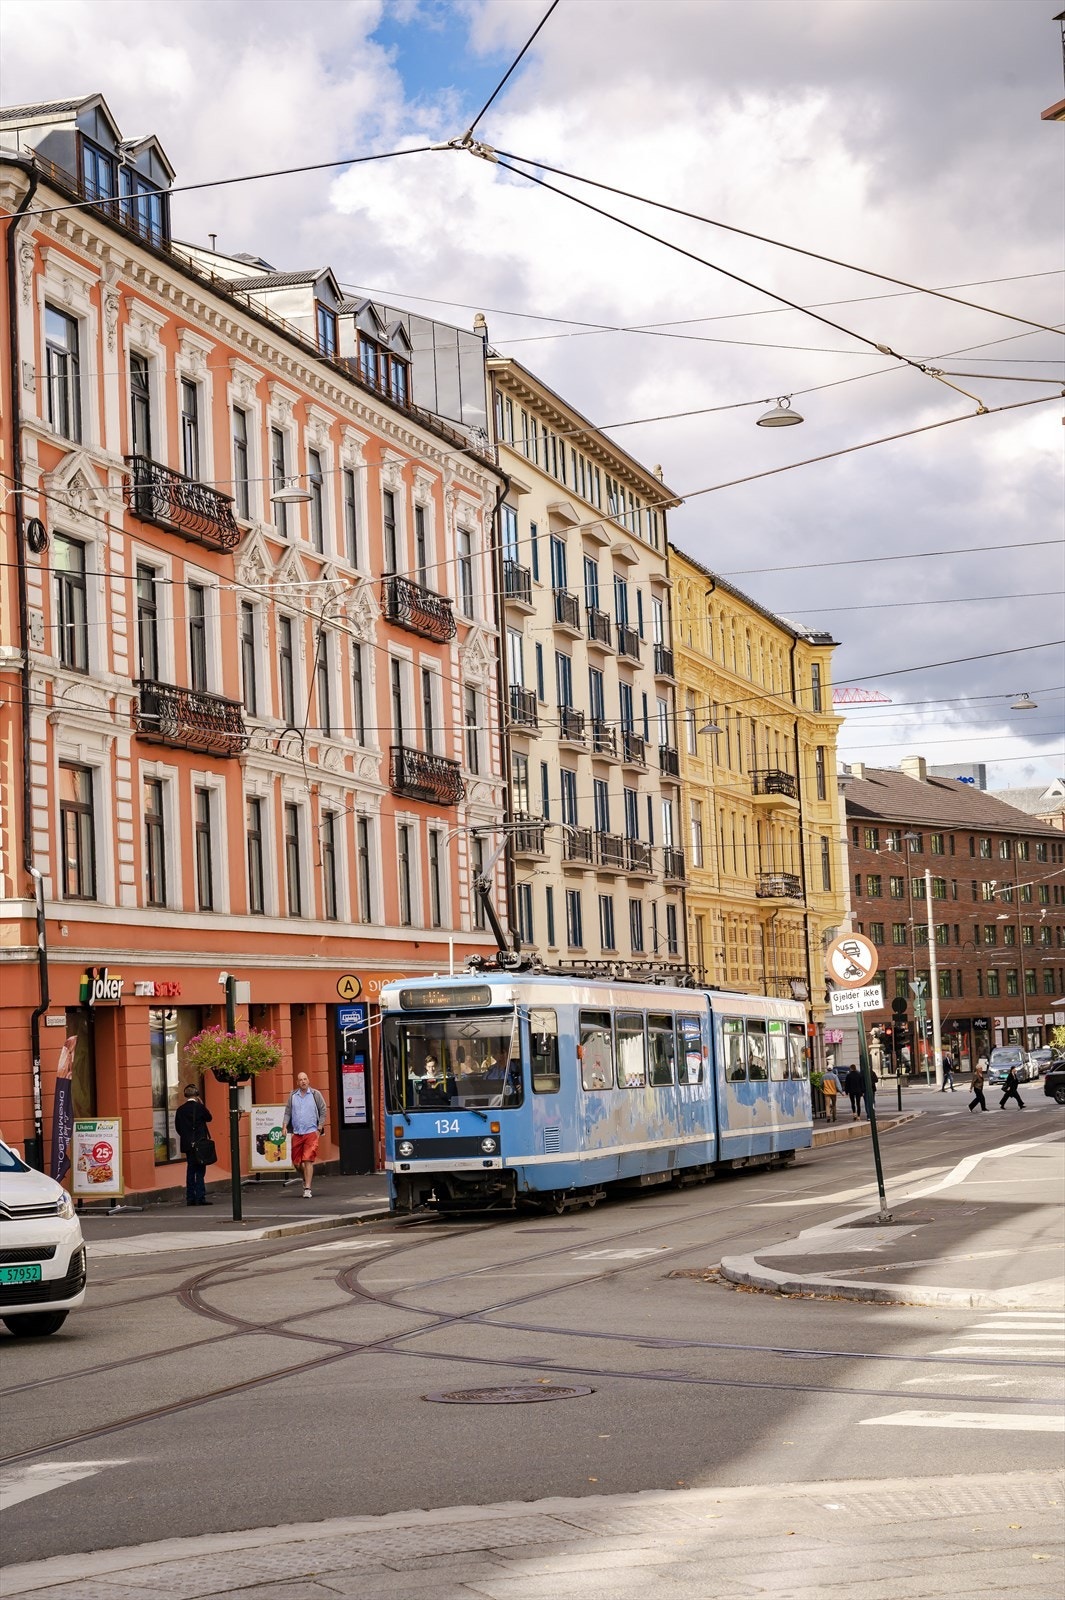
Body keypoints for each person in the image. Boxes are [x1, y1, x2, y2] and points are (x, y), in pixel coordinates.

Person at [283, 1071, 328, 1198]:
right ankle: (304, 1177)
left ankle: (307, 1188)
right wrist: (284, 1126)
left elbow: (323, 1110)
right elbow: (287, 1112)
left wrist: (319, 1128)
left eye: (305, 1079)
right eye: (300, 1080)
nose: (303, 1081)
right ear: (297, 1082)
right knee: (296, 1163)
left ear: (308, 1081)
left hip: (311, 1132)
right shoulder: (293, 1096)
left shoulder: (315, 1094)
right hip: (297, 1132)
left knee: (308, 1159)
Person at [174, 1084, 213, 1207]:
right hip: (200, 1143)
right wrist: (201, 1104)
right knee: (200, 1170)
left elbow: (178, 1127)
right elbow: (209, 1118)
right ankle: (200, 1197)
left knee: (190, 1169)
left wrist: (186, 1137)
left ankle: (190, 1197)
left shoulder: (180, 1109)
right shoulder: (199, 1107)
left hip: (187, 1144)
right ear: (196, 1095)